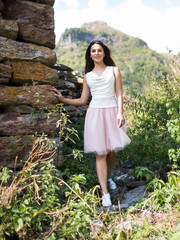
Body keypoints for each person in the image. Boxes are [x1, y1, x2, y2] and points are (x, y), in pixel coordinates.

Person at [52, 40, 131, 207]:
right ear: (90, 54)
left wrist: (119, 112)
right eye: (93, 51)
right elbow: (82, 100)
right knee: (100, 153)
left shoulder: (114, 70)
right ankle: (105, 194)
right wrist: (63, 99)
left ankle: (108, 177)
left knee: (110, 151)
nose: (96, 53)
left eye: (99, 50)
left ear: (104, 53)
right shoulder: (88, 76)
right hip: (95, 113)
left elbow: (119, 92)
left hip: (112, 111)